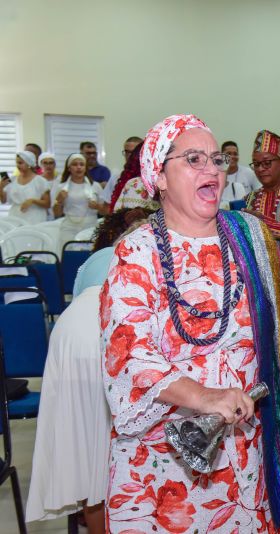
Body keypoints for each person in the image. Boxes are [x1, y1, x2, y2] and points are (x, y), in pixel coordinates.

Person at [100, 114, 280, 532]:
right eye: (193, 159)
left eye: (216, 159)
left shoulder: (249, 237)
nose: (212, 168)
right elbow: (130, 355)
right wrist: (204, 395)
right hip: (160, 458)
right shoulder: (135, 253)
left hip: (242, 452)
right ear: (158, 176)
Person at [26, 208, 152, 533]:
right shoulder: (148, 255)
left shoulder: (94, 260)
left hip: (69, 338)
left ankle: (91, 514)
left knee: (85, 446)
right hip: (108, 331)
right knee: (110, 451)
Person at [52, 154, 104, 248]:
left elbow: (105, 210)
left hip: (90, 226)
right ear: (69, 168)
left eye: (81, 164)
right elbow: (56, 214)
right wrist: (59, 201)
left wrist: (97, 206)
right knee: (68, 255)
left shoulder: (95, 186)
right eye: (75, 164)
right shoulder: (61, 187)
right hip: (69, 227)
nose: (78, 167)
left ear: (85, 168)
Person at [0, 150, 51, 223]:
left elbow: (47, 204)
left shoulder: (40, 181)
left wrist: (32, 201)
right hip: (15, 217)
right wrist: (1, 188)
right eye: (17, 163)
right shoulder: (13, 179)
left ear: (29, 164)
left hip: (34, 217)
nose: (18, 165)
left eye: (20, 163)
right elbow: (4, 201)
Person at [100, 136, 145, 213]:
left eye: (134, 152)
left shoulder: (150, 178)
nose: (130, 156)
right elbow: (106, 207)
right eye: (127, 152)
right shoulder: (116, 176)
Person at [220, 140, 259, 204]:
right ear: (221, 156)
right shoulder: (217, 175)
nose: (232, 156)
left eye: (235, 154)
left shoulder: (249, 173)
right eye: (228, 154)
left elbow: (259, 192)